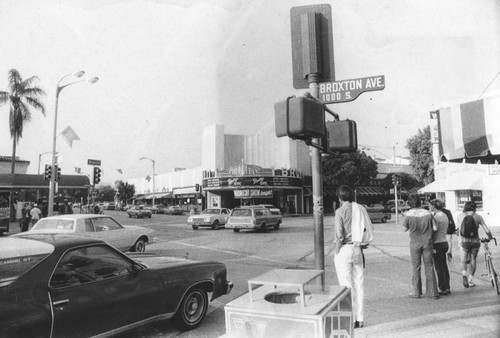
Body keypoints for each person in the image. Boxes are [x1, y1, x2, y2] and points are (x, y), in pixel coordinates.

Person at [333, 185, 374, 329]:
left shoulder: (340, 211)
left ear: (339, 198)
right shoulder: (360, 208)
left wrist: (336, 250)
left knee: (345, 286)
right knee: (359, 284)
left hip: (345, 249)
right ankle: (360, 319)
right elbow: (367, 227)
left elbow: (339, 235)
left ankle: (349, 319)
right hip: (358, 250)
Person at [402, 194, 439, 299]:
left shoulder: (408, 215)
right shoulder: (428, 214)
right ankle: (432, 292)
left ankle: (416, 292)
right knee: (429, 266)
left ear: (410, 203)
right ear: (420, 203)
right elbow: (435, 228)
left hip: (414, 243)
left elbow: (404, 229)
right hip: (427, 242)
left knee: (416, 267)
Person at [456, 201, 493, 288]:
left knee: (463, 260)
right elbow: (486, 230)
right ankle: (470, 280)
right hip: (475, 242)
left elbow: (458, 231)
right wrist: (490, 237)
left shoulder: (460, 216)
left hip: (464, 241)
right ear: (474, 208)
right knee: (473, 260)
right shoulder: (478, 217)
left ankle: (464, 274)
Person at [429, 199, 452, 295]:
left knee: (438, 267)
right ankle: (447, 286)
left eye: (430, 205)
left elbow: (433, 231)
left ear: (434, 206)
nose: (429, 206)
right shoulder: (445, 215)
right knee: (444, 266)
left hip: (437, 243)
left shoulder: (436, 218)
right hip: (444, 241)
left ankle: (442, 288)